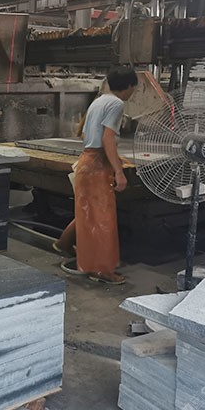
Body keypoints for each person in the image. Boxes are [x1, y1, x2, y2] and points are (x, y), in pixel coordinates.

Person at [54, 66, 138, 285]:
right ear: (130, 86)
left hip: (86, 161)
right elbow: (107, 139)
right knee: (103, 218)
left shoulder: (99, 101)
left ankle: (63, 244)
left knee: (89, 213)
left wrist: (114, 159)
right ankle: (101, 270)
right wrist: (119, 172)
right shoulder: (117, 104)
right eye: (135, 88)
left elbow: (85, 134)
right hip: (96, 166)